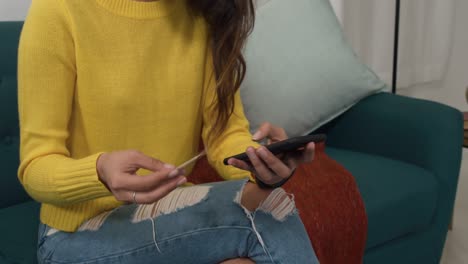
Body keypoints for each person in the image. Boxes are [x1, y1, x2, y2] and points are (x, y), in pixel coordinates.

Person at [18, 0, 319, 263]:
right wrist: (98, 172)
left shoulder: (202, 12)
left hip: (171, 217)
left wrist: (260, 159)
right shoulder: (58, 9)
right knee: (268, 210)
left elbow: (225, 135)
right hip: (77, 234)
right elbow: (36, 166)